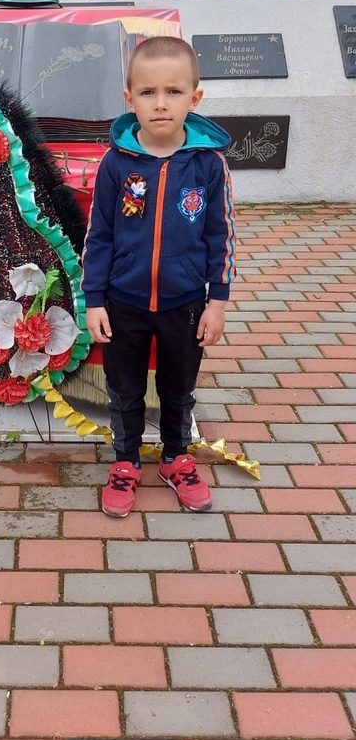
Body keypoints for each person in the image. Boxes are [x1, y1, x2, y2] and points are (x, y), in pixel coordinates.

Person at [82, 35, 236, 517]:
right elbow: (99, 235)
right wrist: (95, 300)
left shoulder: (208, 165)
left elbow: (221, 234)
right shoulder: (116, 163)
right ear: (130, 100)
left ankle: (175, 458)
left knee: (177, 388)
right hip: (123, 302)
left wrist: (217, 302)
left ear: (195, 97)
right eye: (148, 93)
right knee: (125, 388)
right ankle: (126, 462)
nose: (161, 103)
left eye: (174, 91)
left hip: (185, 302)